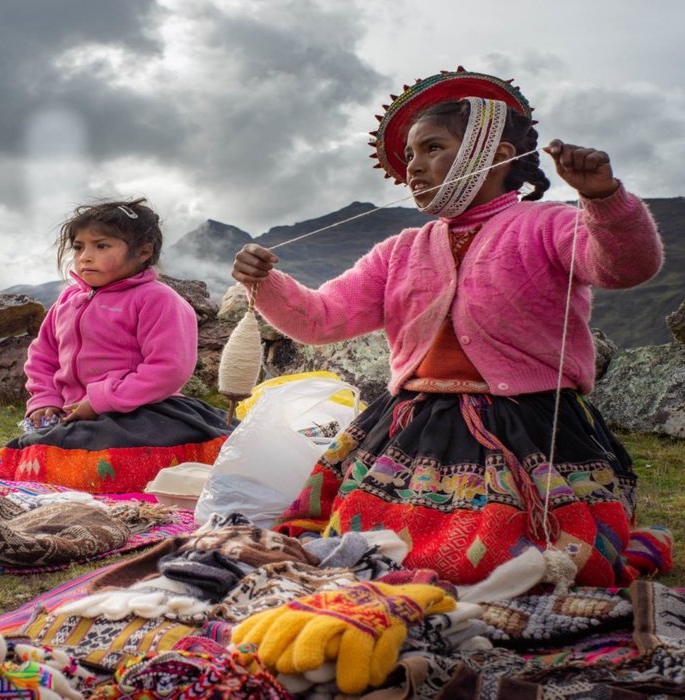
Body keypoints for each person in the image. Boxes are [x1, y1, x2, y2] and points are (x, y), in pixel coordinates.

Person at [231, 69, 670, 587]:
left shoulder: (549, 226)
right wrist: (268, 284)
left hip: (528, 424)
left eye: (431, 148)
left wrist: (603, 201)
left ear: (492, 153)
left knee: (496, 556)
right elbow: (322, 318)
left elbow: (624, 267)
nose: (413, 168)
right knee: (364, 539)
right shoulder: (399, 251)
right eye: (410, 157)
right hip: (415, 422)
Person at [0, 198, 234, 493]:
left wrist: (103, 399)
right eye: (79, 247)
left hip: (143, 414)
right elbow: (43, 356)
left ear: (143, 252)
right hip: (72, 416)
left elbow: (168, 368)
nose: (85, 257)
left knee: (107, 467)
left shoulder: (157, 300)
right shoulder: (67, 302)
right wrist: (45, 399)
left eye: (101, 246)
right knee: (18, 461)